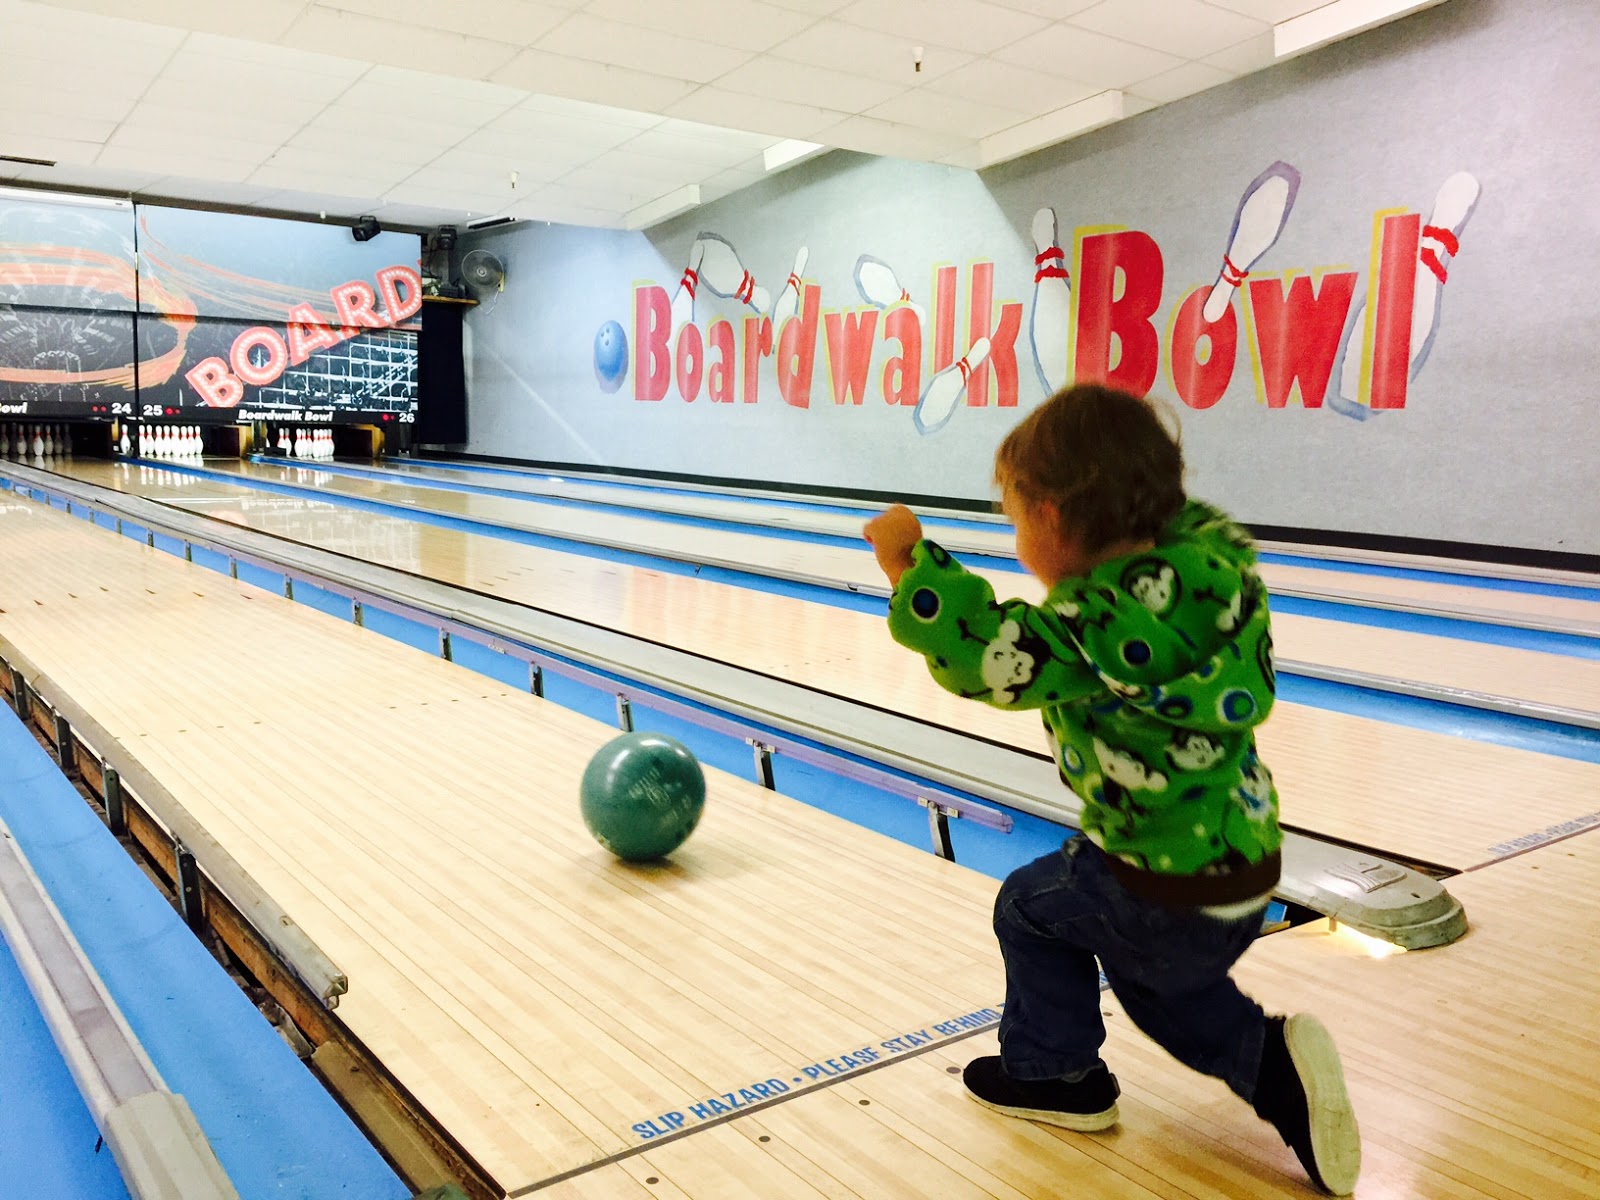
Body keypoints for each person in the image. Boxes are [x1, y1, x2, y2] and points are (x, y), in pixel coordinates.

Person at [863, 383, 1360, 1196]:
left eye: (1014, 517)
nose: (1015, 533)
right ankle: (1248, 1066)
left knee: (1031, 910)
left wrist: (910, 564)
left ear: (1052, 518)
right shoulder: (1214, 579)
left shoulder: (1088, 633)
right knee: (1155, 984)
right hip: (1246, 859)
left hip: (1156, 882)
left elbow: (987, 649)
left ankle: (1057, 1075)